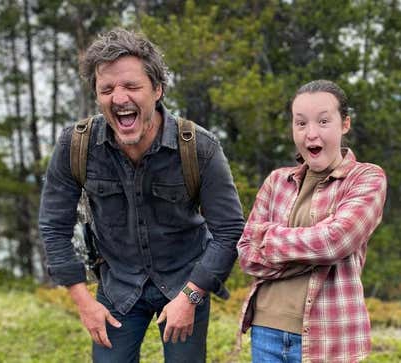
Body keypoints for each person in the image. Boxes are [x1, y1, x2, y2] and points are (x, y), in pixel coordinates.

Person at [39, 28, 245, 362]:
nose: (119, 98)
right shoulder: (75, 146)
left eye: (131, 86)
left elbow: (230, 230)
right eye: (107, 89)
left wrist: (192, 296)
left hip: (185, 282)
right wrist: (84, 302)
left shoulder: (200, 148)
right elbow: (53, 226)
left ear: (157, 89)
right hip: (117, 283)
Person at [237, 80, 387, 362]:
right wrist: (312, 248)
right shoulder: (277, 181)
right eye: (301, 123)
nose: (311, 133)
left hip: (329, 334)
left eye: (323, 121)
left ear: (345, 124)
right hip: (266, 330)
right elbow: (246, 253)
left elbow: (334, 243)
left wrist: (267, 238)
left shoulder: (366, 178)